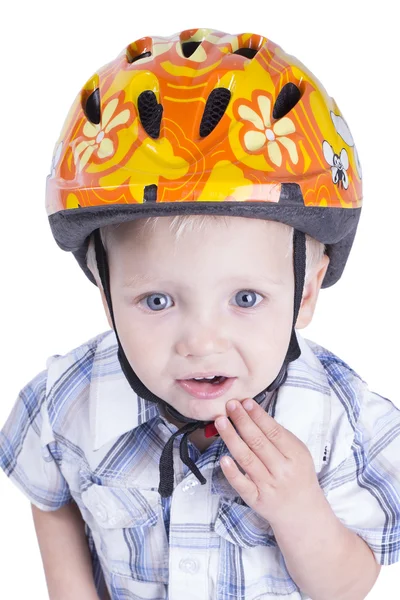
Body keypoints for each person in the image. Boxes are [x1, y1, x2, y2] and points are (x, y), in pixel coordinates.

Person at [1, 27, 399, 600]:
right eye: (157, 301)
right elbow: (52, 494)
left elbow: (349, 586)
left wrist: (300, 511)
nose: (202, 341)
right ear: (106, 294)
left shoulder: (341, 423)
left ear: (306, 291)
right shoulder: (72, 400)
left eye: (245, 299)